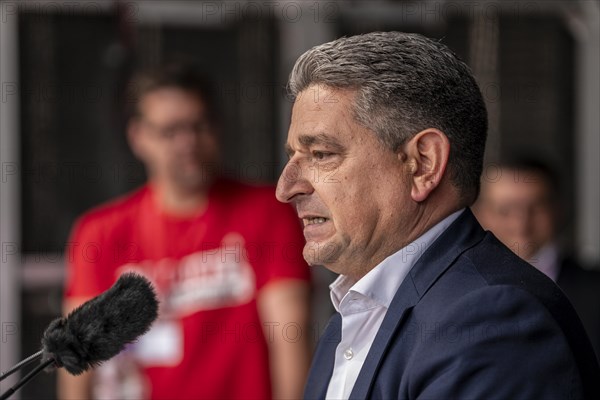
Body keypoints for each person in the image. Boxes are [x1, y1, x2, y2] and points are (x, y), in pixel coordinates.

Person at [275, 31, 600, 399]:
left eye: (320, 154)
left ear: (422, 164)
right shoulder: (353, 318)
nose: (286, 188)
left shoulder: (491, 321)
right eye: (293, 156)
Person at [60, 64, 312, 400]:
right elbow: (79, 362)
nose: (188, 142)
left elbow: (290, 340)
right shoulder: (100, 232)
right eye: (171, 131)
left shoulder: (267, 213)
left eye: (199, 125)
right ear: (138, 138)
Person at [473, 157, 600, 356]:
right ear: (479, 214)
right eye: (505, 210)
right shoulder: (456, 290)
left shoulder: (594, 290)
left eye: (537, 207)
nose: (521, 224)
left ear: (559, 209)